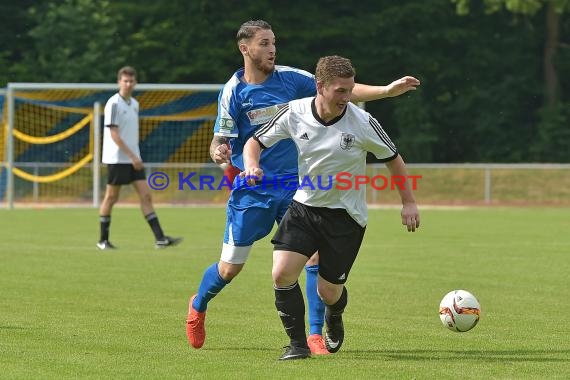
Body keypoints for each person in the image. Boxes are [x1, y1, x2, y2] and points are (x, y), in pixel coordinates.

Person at [185, 20, 420, 354]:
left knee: (311, 257)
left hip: (299, 188)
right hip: (254, 188)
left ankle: (312, 335)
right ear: (245, 48)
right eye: (264, 43)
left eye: (274, 43)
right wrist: (220, 152)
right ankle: (199, 303)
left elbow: (342, 89)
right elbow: (219, 141)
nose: (272, 50)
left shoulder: (291, 78)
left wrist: (384, 91)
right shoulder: (233, 91)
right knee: (230, 268)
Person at [241, 55, 420, 360]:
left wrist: (408, 202)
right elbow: (254, 142)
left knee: (329, 293)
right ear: (320, 87)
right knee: (282, 273)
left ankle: (334, 315)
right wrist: (251, 165)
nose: (347, 98)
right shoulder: (295, 112)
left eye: (350, 90)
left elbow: (393, 159)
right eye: (340, 91)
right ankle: (297, 345)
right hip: (304, 208)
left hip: (345, 218)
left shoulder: (362, 122)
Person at [97, 66, 182, 250]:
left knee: (146, 195)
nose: (128, 84)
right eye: (124, 81)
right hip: (117, 159)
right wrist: (132, 156)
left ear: (135, 83)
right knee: (111, 197)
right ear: (119, 82)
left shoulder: (134, 104)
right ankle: (103, 240)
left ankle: (160, 238)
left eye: (131, 81)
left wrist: (136, 156)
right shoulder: (113, 103)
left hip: (133, 159)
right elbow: (114, 134)